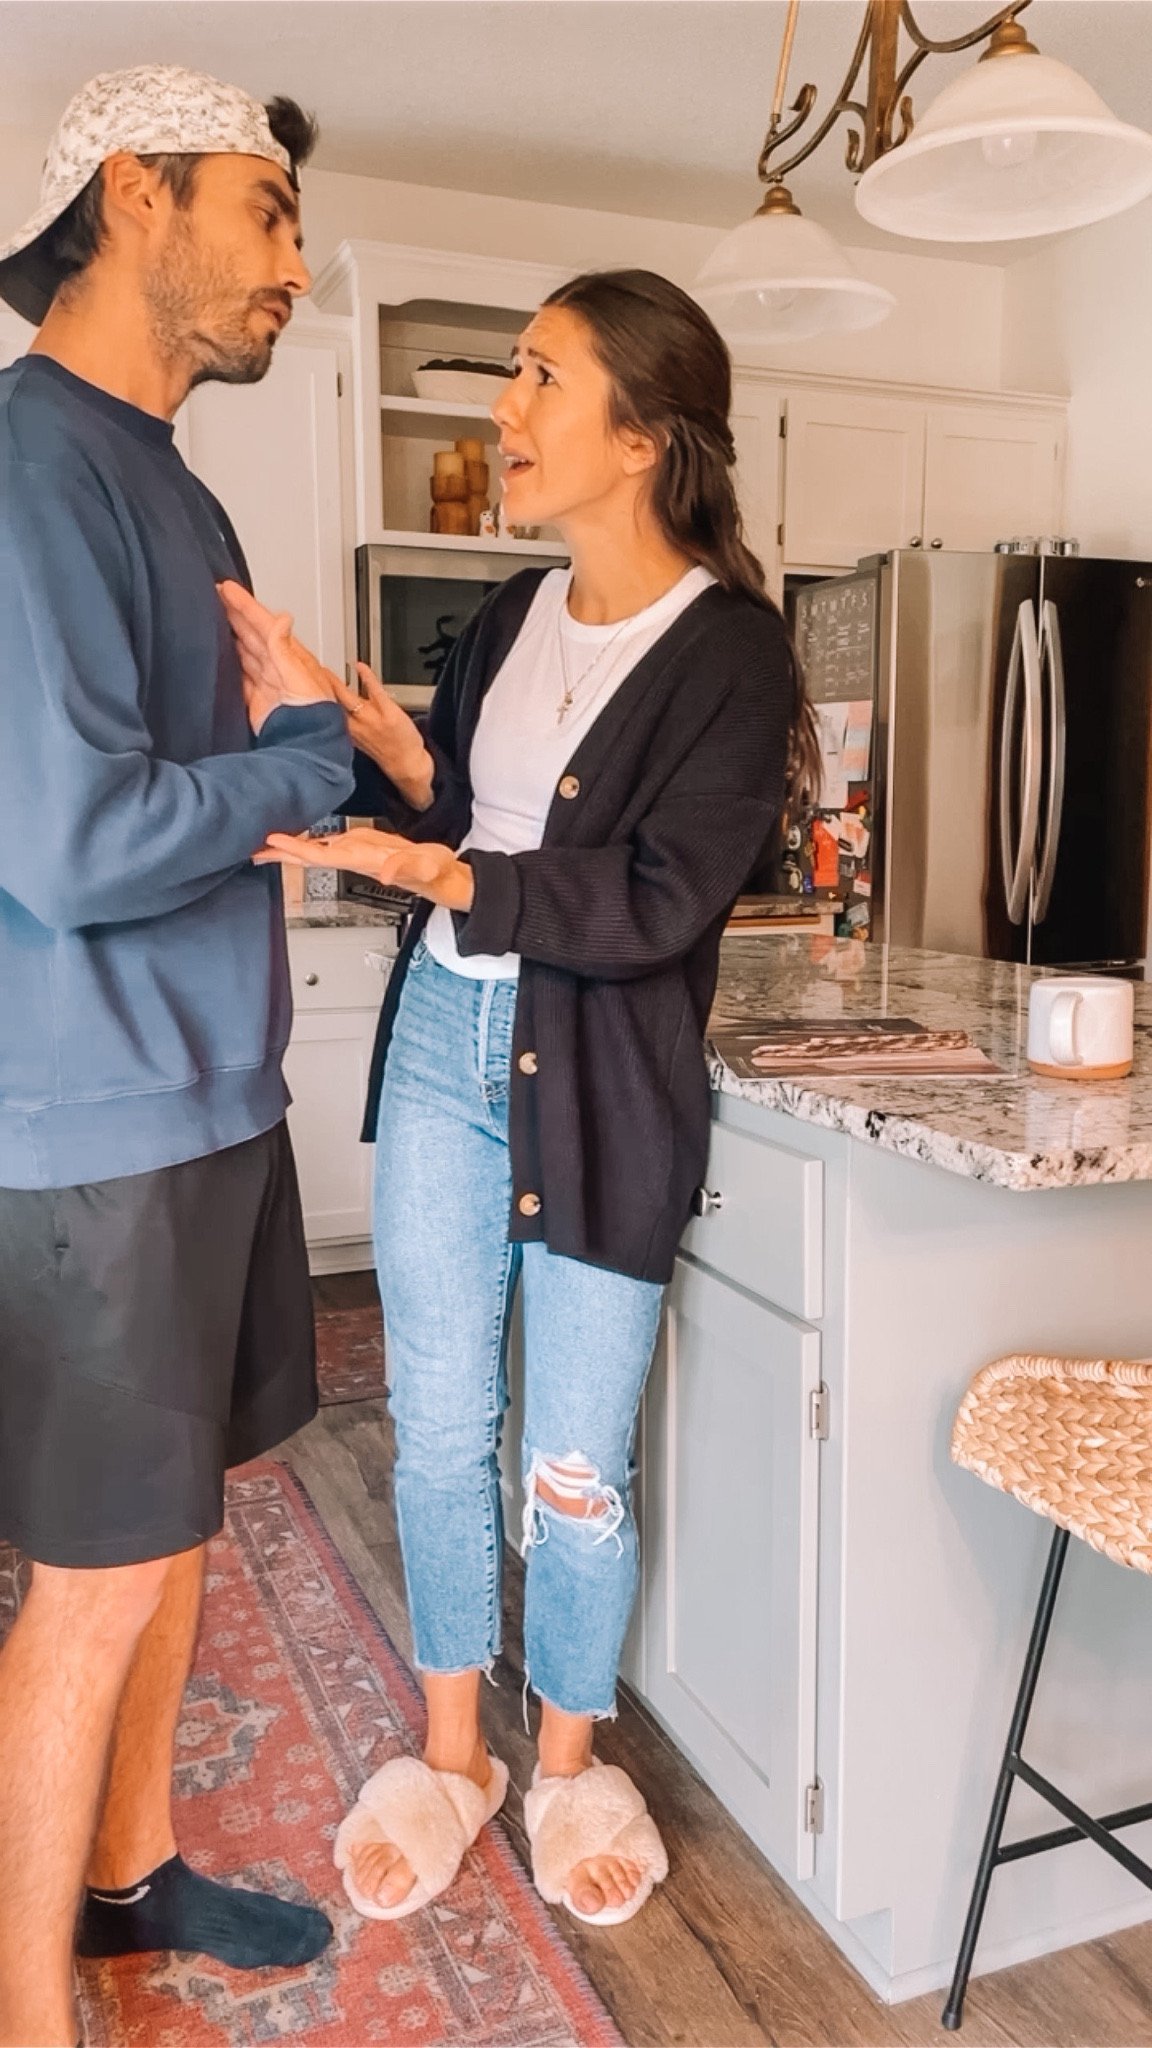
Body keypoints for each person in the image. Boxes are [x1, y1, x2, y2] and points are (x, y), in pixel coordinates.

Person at [222, 267, 820, 1930]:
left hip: (604, 1088)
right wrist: (364, 745)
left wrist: (434, 863)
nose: (505, 411)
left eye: (540, 380)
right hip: (440, 1056)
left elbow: (647, 903)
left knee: (571, 1459)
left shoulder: (734, 660)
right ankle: (450, 1754)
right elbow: (471, 798)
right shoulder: (512, 614)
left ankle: (563, 1762)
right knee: (431, 1420)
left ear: (640, 434)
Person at [0, 66, 354, 2048]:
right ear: (134, 195)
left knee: (177, 1524)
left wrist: (274, 763)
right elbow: (73, 839)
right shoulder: (27, 464)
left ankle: (131, 1882)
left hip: (211, 1091)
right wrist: (300, 758)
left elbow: (209, 779)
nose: (297, 261)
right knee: (93, 1575)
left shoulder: (168, 473)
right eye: (269, 212)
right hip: (99, 1119)